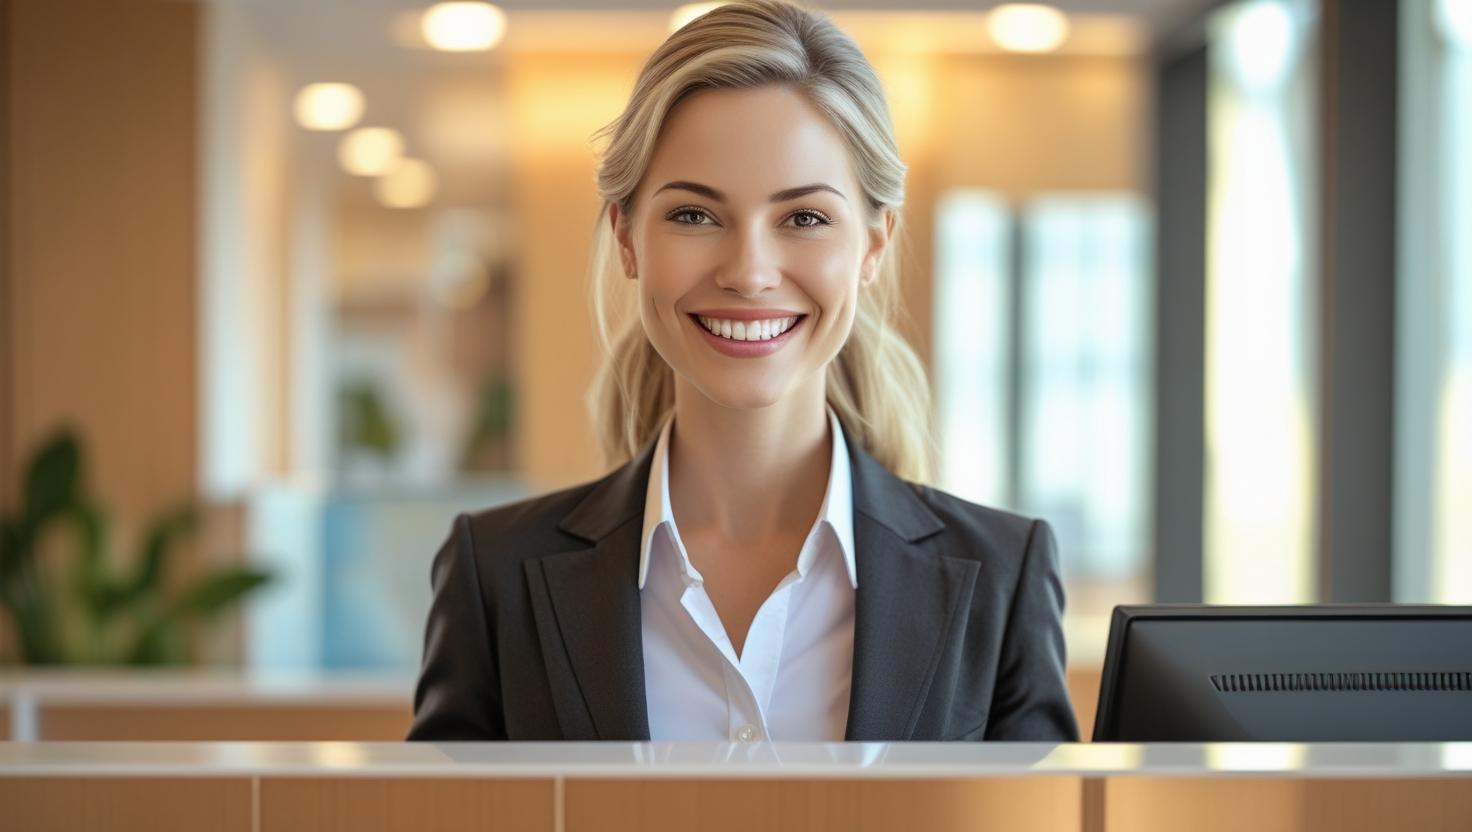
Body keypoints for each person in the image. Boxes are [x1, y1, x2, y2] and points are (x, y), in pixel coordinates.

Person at [406, 0, 1077, 743]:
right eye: (694, 215)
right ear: (626, 238)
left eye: (805, 218)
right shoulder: (495, 576)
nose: (750, 272)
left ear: (873, 245)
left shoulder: (1003, 579)